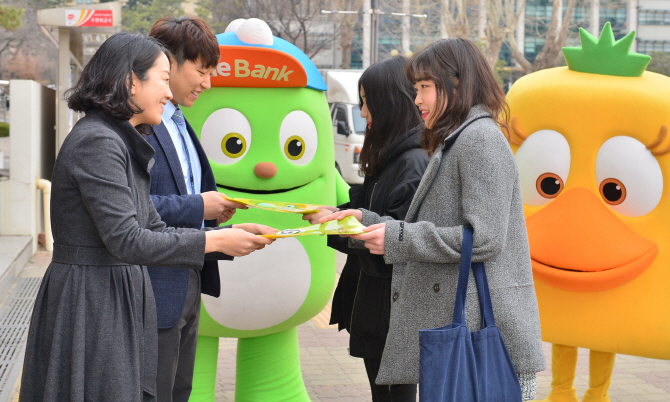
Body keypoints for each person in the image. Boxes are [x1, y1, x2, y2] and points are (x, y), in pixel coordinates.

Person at [18, 33, 275, 402]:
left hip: (114, 290)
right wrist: (215, 240)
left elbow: (151, 224)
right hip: (91, 296)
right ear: (130, 81)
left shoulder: (119, 137)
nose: (169, 93)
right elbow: (127, 238)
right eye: (164, 79)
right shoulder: (98, 141)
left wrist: (231, 236)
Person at [320, 38, 545, 401]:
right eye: (416, 89)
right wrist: (367, 219)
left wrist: (397, 238)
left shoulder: (479, 140)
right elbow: (435, 221)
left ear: (457, 84)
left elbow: (485, 238)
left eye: (425, 87)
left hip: (482, 333)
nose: (417, 100)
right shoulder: (457, 139)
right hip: (466, 328)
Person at [305, 56, 428, 402]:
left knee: (393, 395)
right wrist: (334, 215)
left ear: (388, 102)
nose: (361, 111)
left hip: (393, 311)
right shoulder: (393, 156)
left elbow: (397, 238)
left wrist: (343, 225)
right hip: (378, 308)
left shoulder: (413, 161)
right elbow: (371, 211)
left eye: (366, 101)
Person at [145, 16, 236, 402]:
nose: (207, 83)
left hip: (187, 279)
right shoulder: (140, 126)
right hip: (153, 287)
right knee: (154, 391)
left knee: (180, 389)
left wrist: (209, 213)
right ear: (168, 63)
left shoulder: (179, 121)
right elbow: (132, 208)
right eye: (202, 71)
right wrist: (199, 204)